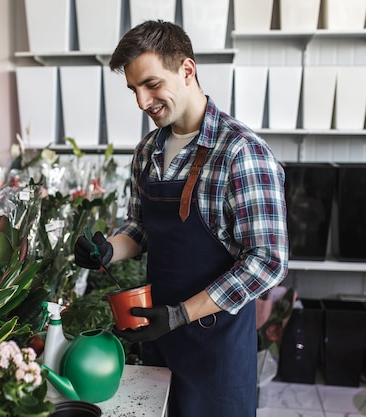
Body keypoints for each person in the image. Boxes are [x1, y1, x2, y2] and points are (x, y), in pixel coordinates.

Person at [74, 20, 289, 417]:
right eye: (134, 89)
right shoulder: (147, 151)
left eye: (152, 84)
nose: (142, 101)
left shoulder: (241, 153)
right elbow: (139, 227)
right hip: (157, 336)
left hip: (215, 351)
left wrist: (181, 314)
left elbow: (268, 263)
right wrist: (107, 249)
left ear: (187, 70)